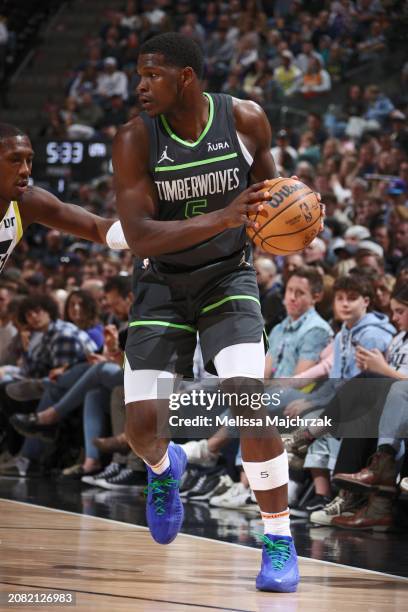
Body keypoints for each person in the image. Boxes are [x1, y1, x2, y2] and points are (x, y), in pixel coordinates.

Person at [112, 32, 321, 593]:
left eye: (152, 75)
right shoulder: (135, 139)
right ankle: (165, 468)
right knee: (140, 431)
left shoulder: (247, 121)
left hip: (229, 278)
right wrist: (224, 217)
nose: (140, 86)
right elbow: (138, 235)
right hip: (162, 285)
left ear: (186, 77)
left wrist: (290, 220)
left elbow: (270, 196)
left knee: (248, 399)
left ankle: (278, 541)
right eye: (139, 75)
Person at [0, 123, 128, 277]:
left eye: (29, 160)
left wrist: (150, 235)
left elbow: (97, 227)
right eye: (15, 160)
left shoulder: (27, 203)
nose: (26, 170)